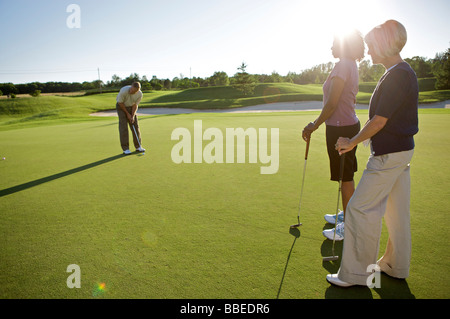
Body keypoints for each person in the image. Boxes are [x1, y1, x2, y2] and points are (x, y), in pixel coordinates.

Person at [327, 20, 419, 287]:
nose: (367, 52)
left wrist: (352, 141)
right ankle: (394, 265)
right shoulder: (399, 72)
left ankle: (356, 275)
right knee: (395, 212)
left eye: (371, 46)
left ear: (384, 44)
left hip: (389, 155)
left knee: (358, 208)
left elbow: (379, 121)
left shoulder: (398, 74)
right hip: (400, 153)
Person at [302, 29, 365, 241]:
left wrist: (314, 124)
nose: (331, 47)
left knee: (345, 176)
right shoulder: (349, 64)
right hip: (346, 125)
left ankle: (349, 224)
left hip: (341, 128)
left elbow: (332, 103)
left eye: (334, 43)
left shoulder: (343, 65)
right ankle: (346, 214)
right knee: (344, 174)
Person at [116, 82, 146, 155]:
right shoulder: (124, 91)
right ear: (131, 87)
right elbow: (120, 103)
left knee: (135, 126)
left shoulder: (139, 94)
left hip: (131, 107)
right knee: (123, 127)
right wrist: (127, 114)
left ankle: (138, 146)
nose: (131, 92)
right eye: (131, 90)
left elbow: (135, 105)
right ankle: (125, 149)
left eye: (134, 91)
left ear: (137, 90)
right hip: (121, 107)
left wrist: (132, 115)